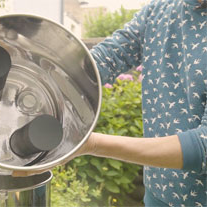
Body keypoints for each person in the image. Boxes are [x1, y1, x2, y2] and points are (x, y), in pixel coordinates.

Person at [13, 0, 207, 206]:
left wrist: (90, 144)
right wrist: (43, 80)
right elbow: (107, 57)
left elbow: (202, 147)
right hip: (156, 195)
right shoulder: (161, 9)